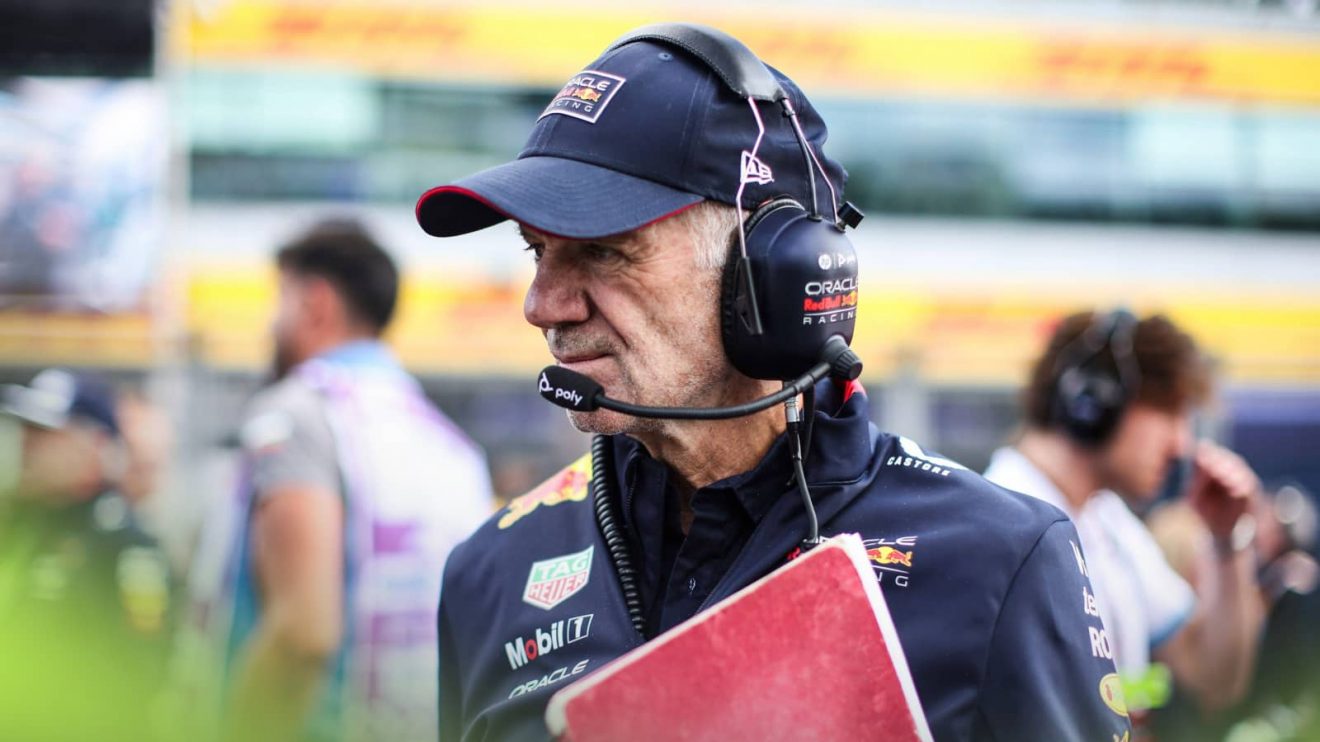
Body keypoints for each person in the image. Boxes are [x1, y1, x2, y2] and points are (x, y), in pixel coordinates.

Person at [418, 24, 1130, 742]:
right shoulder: (490, 570)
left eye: (604, 252)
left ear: (773, 275)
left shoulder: (997, 559)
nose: (542, 305)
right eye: (536, 250)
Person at [179, 219, 494, 742]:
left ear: (314, 304)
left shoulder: (299, 413)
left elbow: (303, 634)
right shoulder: (449, 443)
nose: (270, 326)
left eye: (279, 301)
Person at [983, 310, 1265, 731]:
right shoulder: (1000, 520)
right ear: (1093, 402)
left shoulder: (1108, 520)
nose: (1181, 445)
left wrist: (1227, 539)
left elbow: (1213, 678)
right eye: (1170, 412)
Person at [0, 369, 173, 742]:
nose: (27, 446)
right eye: (27, 431)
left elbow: (139, 670)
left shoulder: (121, 541)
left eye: (45, 434)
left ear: (94, 446)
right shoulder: (30, 527)